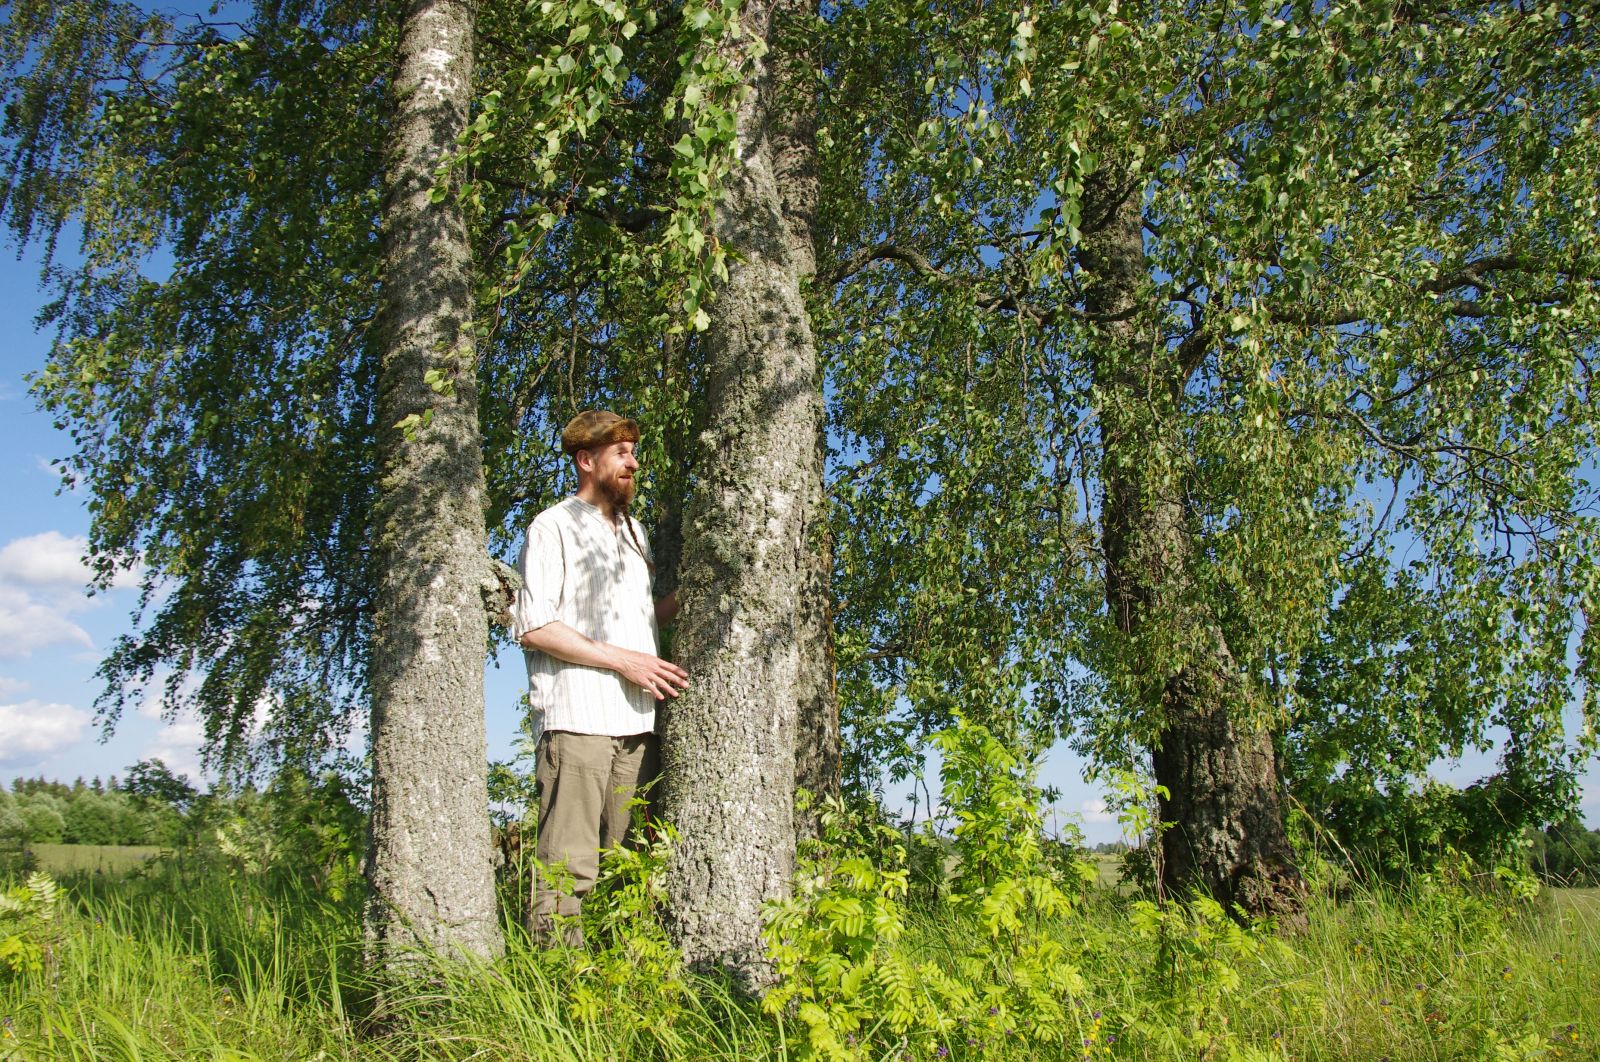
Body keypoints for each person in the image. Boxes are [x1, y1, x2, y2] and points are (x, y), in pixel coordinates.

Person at [512, 410, 687, 945]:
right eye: (622, 453)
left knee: (634, 871)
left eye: (634, 452)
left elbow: (640, 619)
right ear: (587, 461)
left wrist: (694, 597)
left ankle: (623, 995)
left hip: (638, 727)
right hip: (577, 721)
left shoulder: (634, 532)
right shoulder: (552, 526)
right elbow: (534, 626)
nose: (633, 463)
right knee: (568, 873)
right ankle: (555, 993)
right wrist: (625, 661)